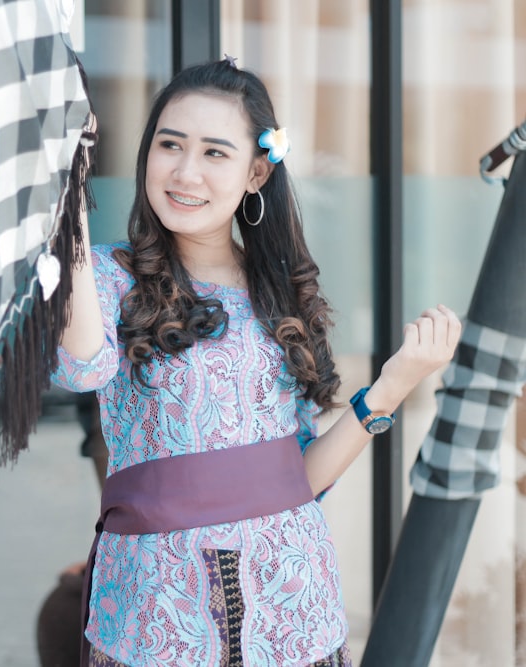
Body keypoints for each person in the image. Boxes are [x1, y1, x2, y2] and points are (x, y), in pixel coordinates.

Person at [51, 58, 461, 667]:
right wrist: (70, 207)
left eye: (215, 152)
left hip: (293, 615)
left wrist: (394, 385)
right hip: (157, 620)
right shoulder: (109, 277)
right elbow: (80, 370)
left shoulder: (280, 292)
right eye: (170, 144)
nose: (185, 171)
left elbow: (302, 481)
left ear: (256, 171)